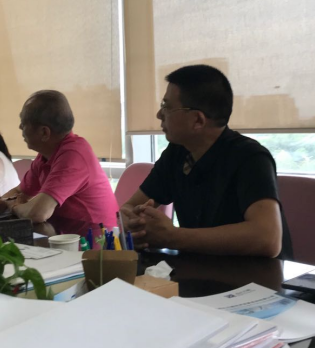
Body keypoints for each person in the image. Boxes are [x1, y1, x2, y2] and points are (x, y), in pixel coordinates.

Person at [121, 65, 293, 258]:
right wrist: (132, 225)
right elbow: (129, 207)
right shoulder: (177, 153)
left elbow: (268, 239)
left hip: (256, 274)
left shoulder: (250, 158)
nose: (159, 115)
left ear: (198, 120)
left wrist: (172, 236)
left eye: (167, 107)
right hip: (200, 268)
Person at [0, 90, 118, 236]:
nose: (20, 127)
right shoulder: (46, 155)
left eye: (24, 123)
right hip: (64, 234)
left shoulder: (74, 155)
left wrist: (14, 207)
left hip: (96, 241)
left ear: (44, 133)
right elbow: (20, 193)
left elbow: (38, 213)